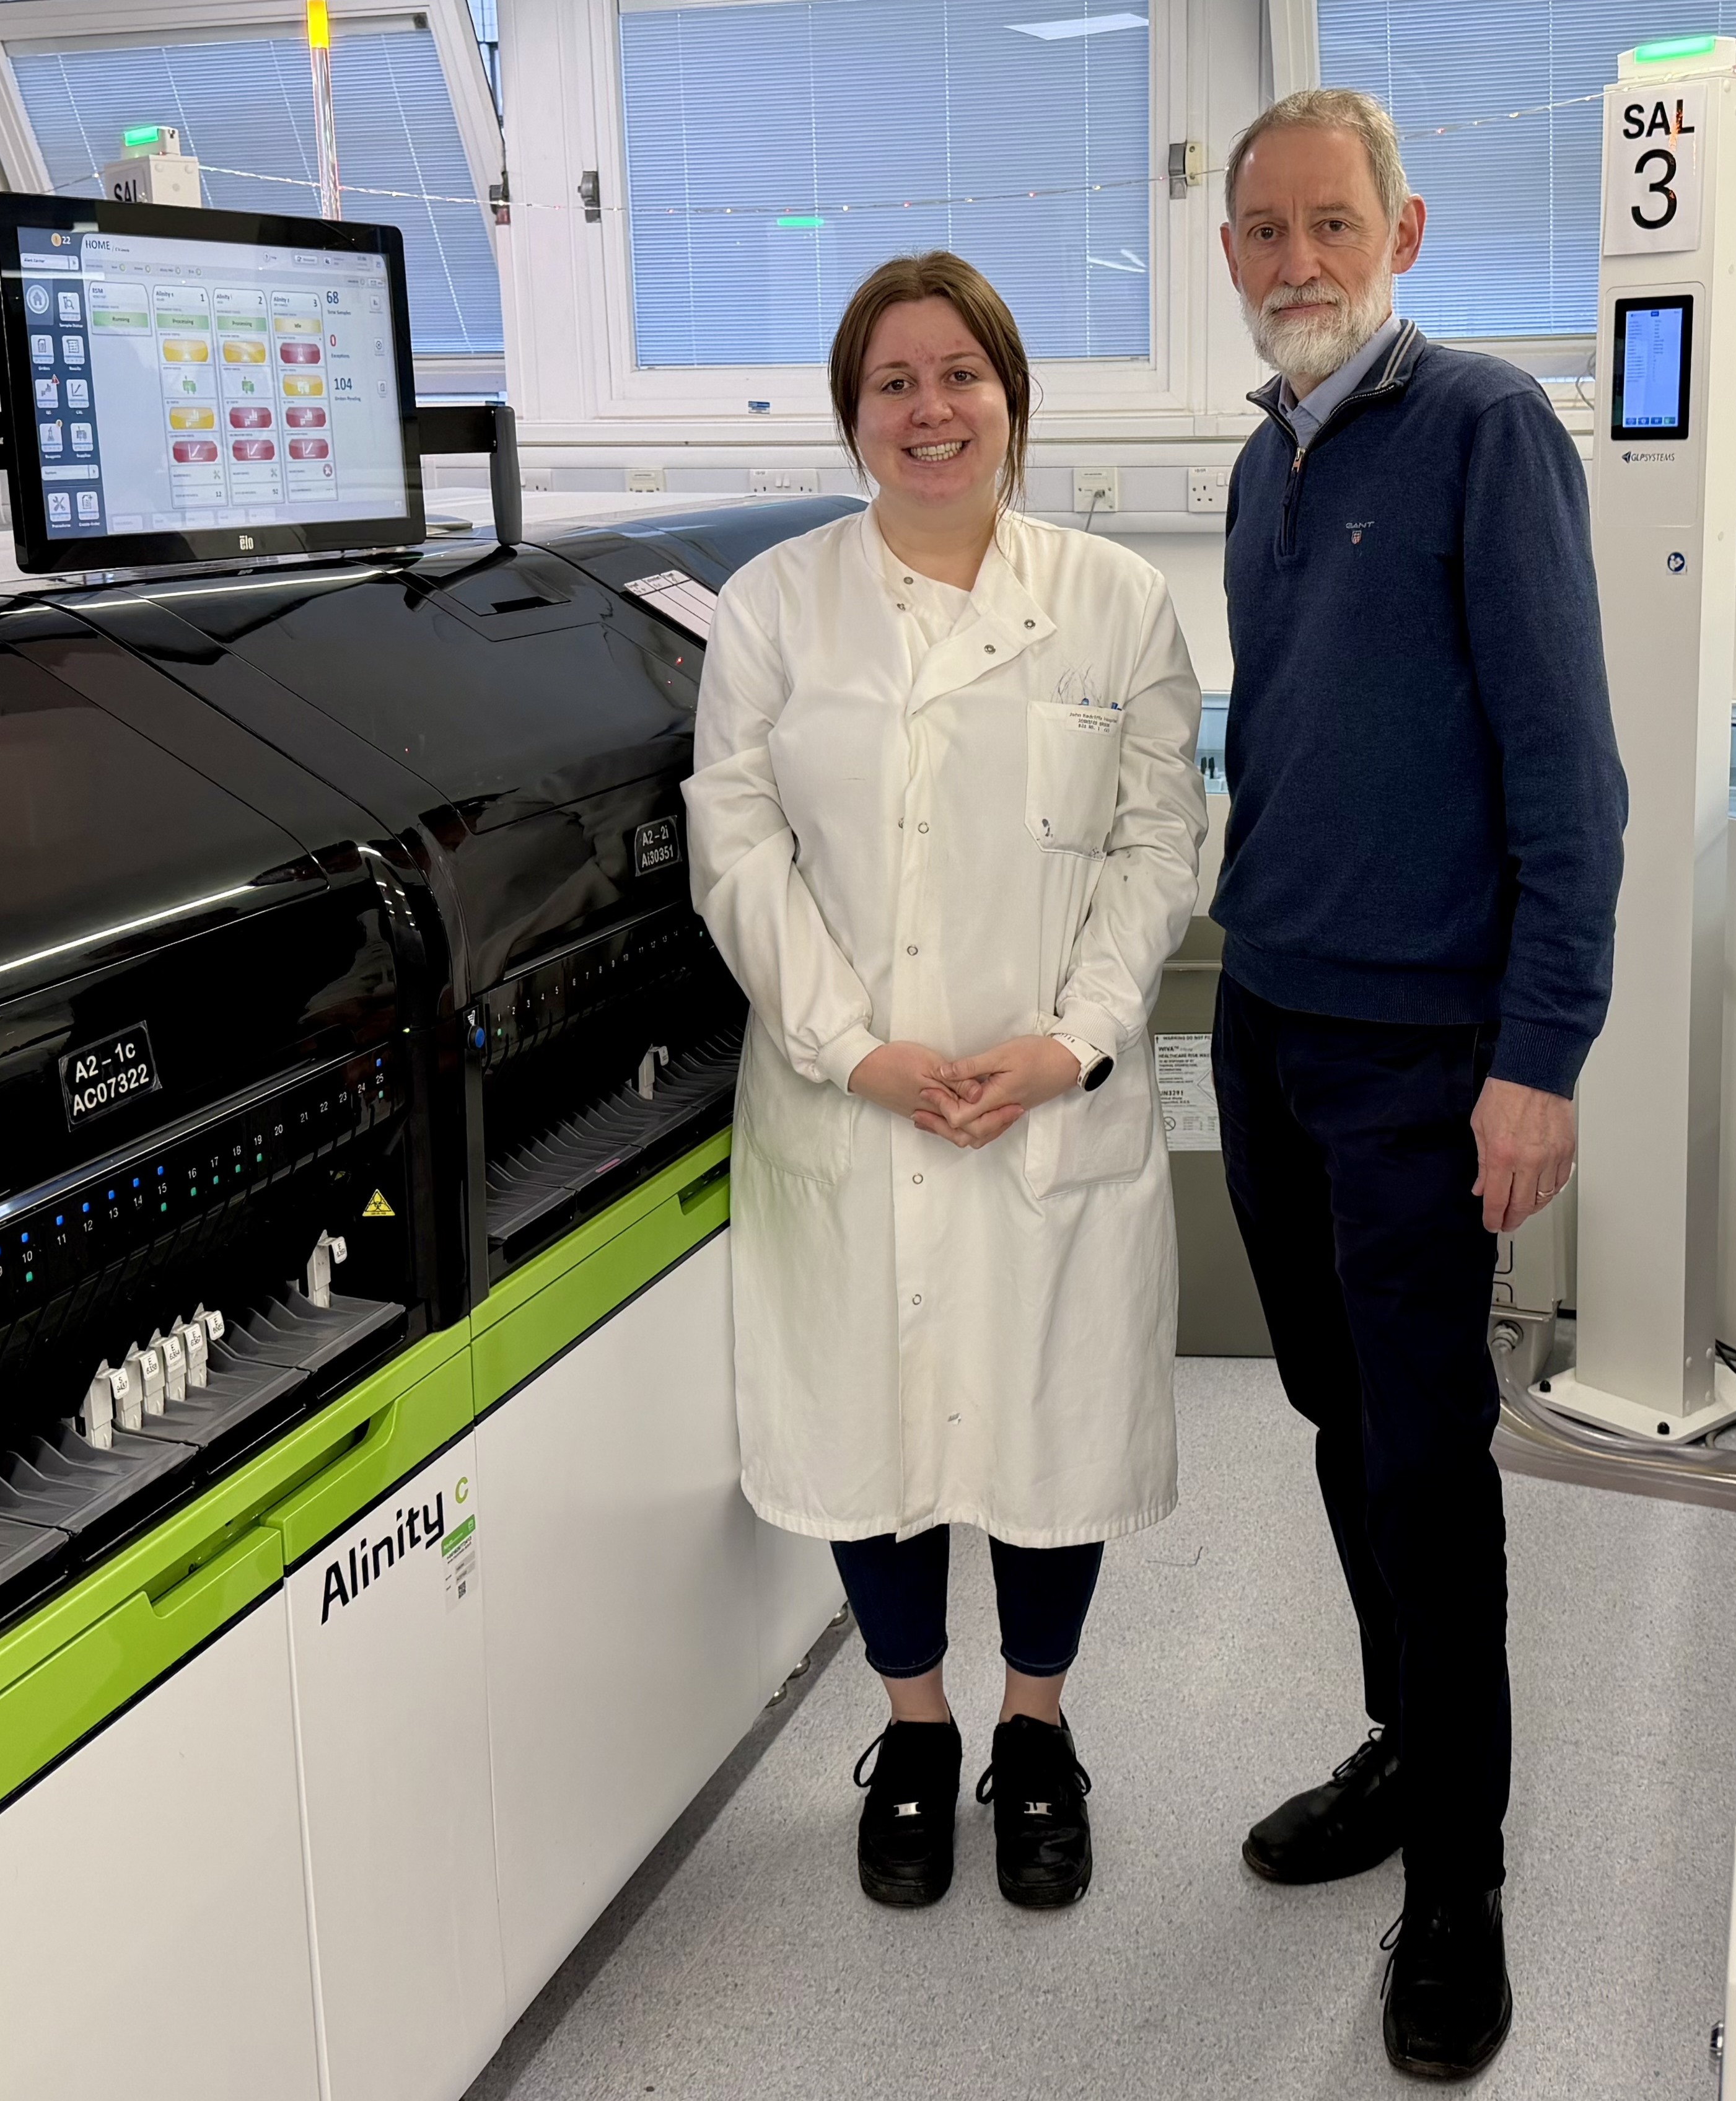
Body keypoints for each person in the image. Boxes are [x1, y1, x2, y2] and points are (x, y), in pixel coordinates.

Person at [684, 252, 1208, 1913]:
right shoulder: (777, 608)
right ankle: (913, 1730)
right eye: (895, 383)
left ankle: (1033, 1732)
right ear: (855, 417)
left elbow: (1158, 840)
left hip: (1052, 1097)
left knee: (1050, 1424)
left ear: (1011, 396)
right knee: (874, 1426)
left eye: (960, 375)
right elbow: (738, 848)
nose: (932, 410)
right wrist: (862, 1050)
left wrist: (1076, 1038)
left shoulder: (1116, 602)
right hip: (856, 1102)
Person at [1209, 88, 1628, 2079]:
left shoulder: (1482, 433)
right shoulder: (1255, 466)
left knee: (1425, 1454)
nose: (1301, 261)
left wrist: (1537, 1058)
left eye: (1333, 226)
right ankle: (1405, 1741)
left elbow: (1572, 781)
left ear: (1406, 233)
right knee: (1326, 1413)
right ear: (1230, 258)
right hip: (1272, 1024)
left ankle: (1456, 1876)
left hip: (1418, 1055)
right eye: (1266, 231)